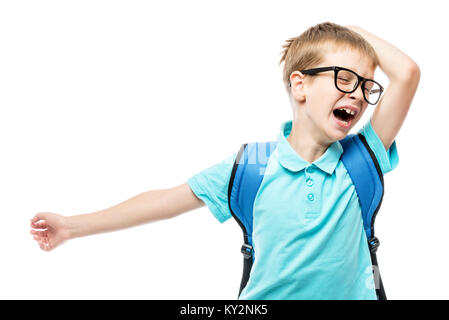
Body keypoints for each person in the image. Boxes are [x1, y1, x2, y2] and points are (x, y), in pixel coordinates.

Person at [30, 22, 420, 299]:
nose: (358, 94)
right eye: (345, 79)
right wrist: (71, 226)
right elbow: (165, 202)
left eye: (366, 85)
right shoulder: (252, 166)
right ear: (299, 84)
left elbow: (406, 72)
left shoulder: (363, 156)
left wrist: (346, 30)